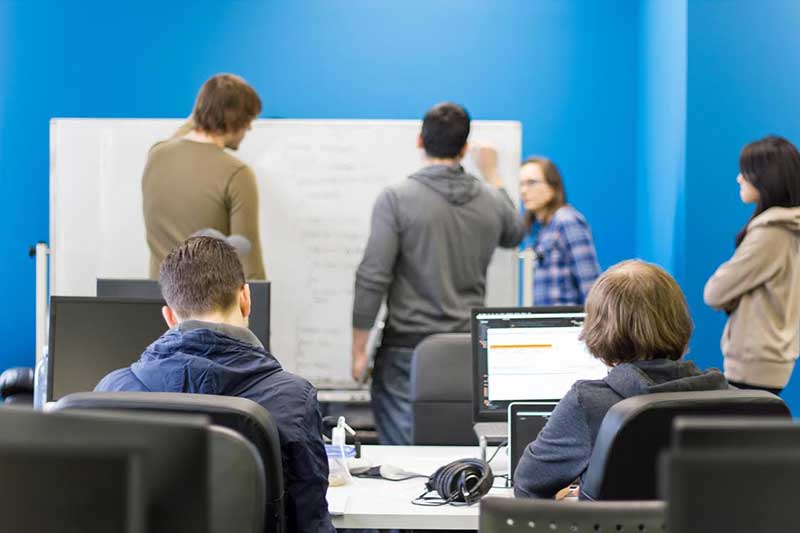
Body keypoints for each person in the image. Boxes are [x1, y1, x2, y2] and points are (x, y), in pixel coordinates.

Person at [96, 236, 333, 532]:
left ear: (169, 317)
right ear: (245, 298)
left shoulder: (112, 392)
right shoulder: (294, 399)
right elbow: (310, 524)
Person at [351, 102, 526, 445]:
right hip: (468, 349)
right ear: (464, 148)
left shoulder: (395, 199)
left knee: (401, 464)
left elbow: (373, 276)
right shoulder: (491, 200)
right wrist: (493, 175)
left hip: (408, 350)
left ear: (420, 141)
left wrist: (358, 350)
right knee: (455, 459)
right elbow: (515, 232)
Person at [514, 260, 728, 499]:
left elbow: (527, 485)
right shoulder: (738, 401)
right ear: (680, 321)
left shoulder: (587, 403)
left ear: (599, 329)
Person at [142, 73, 266, 280]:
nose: (249, 129)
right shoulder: (237, 174)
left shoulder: (157, 155)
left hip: (158, 303)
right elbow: (249, 268)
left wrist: (209, 106)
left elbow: (184, 133)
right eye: (248, 121)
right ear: (236, 120)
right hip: (208, 307)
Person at [704, 135, 800, 395]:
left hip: (754, 363)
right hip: (773, 359)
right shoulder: (789, 228)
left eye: (745, 171)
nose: (739, 178)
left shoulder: (771, 233)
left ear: (766, 176)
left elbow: (714, 292)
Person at [518, 156, 600, 305]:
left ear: (552, 187)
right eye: (521, 184)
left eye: (531, 183)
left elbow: (590, 285)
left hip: (567, 325)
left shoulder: (567, 220)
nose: (523, 191)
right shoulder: (543, 229)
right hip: (547, 324)